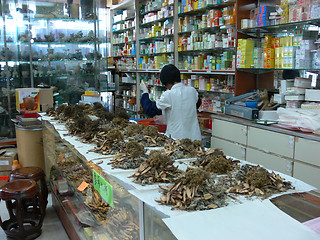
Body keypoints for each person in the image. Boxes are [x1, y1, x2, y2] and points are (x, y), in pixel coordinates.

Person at [140, 64, 202, 141]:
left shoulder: (169, 94)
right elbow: (197, 104)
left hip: (178, 138)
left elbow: (149, 109)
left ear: (166, 81)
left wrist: (145, 92)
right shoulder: (192, 91)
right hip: (195, 138)